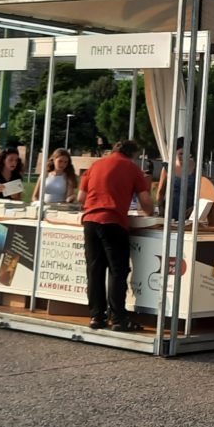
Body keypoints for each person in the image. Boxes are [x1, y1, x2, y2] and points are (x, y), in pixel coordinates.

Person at [77, 140, 153, 332]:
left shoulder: (96, 165)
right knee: (117, 270)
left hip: (90, 221)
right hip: (113, 221)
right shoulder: (132, 168)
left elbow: (80, 198)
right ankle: (118, 318)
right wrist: (149, 211)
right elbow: (146, 202)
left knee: (94, 269)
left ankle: (96, 316)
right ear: (133, 154)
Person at [156, 137, 214, 226]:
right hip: (170, 213)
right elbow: (160, 192)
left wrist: (194, 209)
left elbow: (204, 191)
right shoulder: (167, 168)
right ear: (174, 153)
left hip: (189, 214)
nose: (182, 157)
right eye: (180, 153)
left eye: (186, 154)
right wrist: (160, 209)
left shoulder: (197, 169)